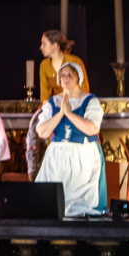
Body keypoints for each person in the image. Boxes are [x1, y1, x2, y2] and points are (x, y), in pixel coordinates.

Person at [35, 62, 106, 217]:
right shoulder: (53, 102)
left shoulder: (90, 100)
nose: (65, 78)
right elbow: (41, 131)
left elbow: (92, 128)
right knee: (50, 201)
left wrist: (70, 114)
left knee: (77, 202)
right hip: (56, 156)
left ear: (78, 78)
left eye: (69, 75)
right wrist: (60, 113)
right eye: (62, 75)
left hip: (81, 153)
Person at [39, 30, 89, 102]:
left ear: (55, 45)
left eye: (44, 44)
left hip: (76, 104)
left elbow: (84, 88)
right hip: (56, 106)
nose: (41, 47)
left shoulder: (74, 61)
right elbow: (45, 94)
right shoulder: (44, 65)